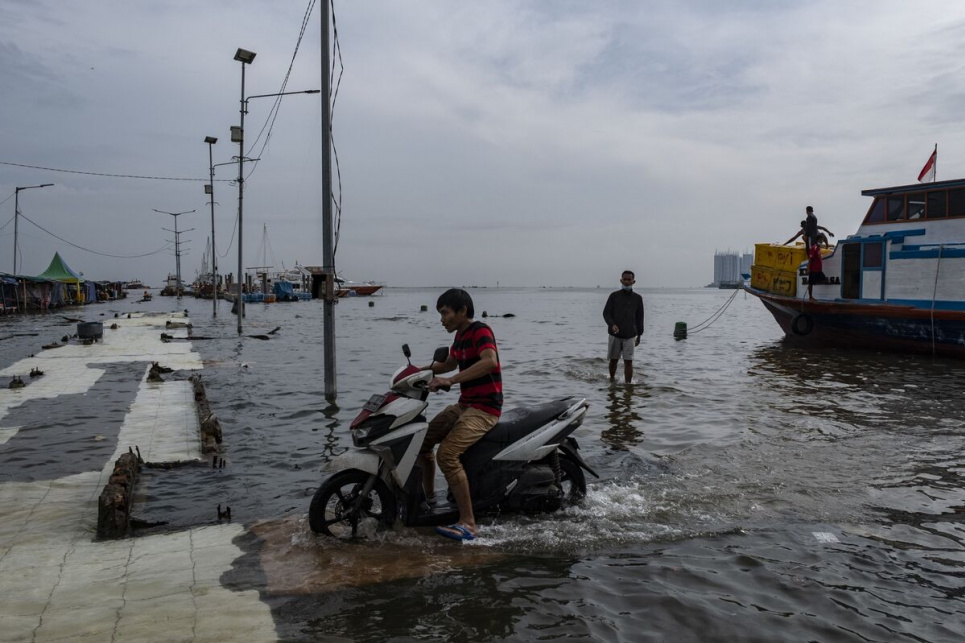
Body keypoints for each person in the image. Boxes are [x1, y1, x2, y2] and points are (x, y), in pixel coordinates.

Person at [418, 288, 502, 541]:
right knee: (422, 442)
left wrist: (451, 380)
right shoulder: (460, 337)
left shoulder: (480, 331)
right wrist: (415, 372)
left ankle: (468, 522)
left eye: (445, 313)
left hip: (485, 408)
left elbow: (490, 361)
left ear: (462, 311)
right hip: (465, 404)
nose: (442, 319)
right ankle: (429, 500)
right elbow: (448, 364)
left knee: (447, 454)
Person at [603, 270, 644, 384]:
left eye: (629, 280)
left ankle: (628, 386)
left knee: (628, 361)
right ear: (621, 280)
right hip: (615, 334)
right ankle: (611, 380)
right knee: (614, 360)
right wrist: (612, 325)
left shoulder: (637, 298)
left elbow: (640, 318)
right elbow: (606, 313)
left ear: (633, 281)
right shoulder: (614, 296)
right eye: (624, 279)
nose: (626, 282)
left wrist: (639, 335)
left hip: (630, 335)